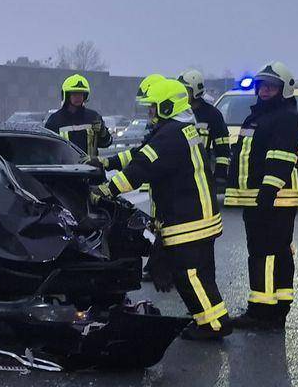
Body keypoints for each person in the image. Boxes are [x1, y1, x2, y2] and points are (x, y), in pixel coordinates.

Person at [98, 76, 230, 339]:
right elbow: (140, 153)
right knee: (201, 275)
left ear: (167, 107)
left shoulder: (169, 136)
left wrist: (106, 190)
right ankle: (212, 319)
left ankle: (214, 325)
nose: (149, 113)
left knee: (190, 275)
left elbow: (140, 169)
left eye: (152, 107)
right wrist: (108, 162)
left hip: (188, 219)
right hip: (198, 215)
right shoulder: (179, 130)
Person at [224, 62, 298, 329]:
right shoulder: (258, 116)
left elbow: (281, 158)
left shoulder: (286, 118)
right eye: (262, 85)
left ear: (285, 89)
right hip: (259, 197)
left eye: (271, 86)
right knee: (270, 252)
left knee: (266, 254)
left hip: (274, 199)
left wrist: (268, 193)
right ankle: (274, 310)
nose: (265, 90)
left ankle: (262, 311)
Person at [178, 69, 232, 183]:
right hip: (177, 171)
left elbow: (222, 146)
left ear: (196, 91)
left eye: (185, 90)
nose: (181, 94)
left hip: (201, 173)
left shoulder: (212, 114)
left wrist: (220, 173)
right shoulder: (175, 112)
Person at [44, 74, 112, 159]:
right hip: (66, 169)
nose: (78, 97)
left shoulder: (93, 117)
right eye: (75, 94)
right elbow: (47, 149)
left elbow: (106, 143)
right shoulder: (55, 120)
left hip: (90, 168)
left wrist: (103, 132)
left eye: (81, 94)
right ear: (67, 95)